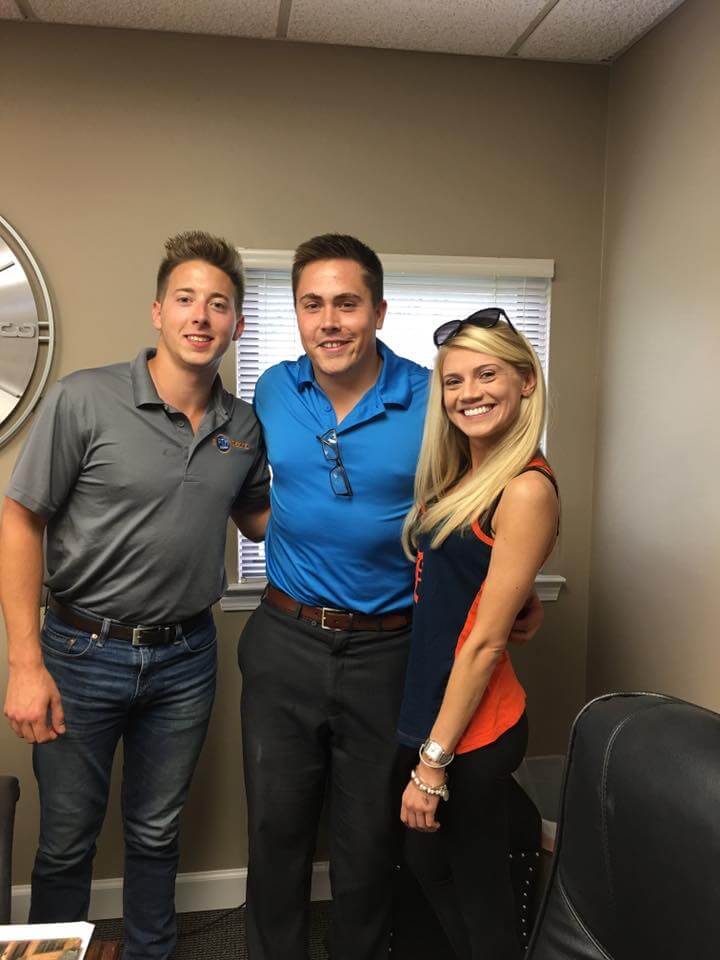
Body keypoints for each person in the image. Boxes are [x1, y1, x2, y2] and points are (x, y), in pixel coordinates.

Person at [239, 236, 544, 960]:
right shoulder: (273, 389)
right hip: (285, 640)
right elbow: (246, 493)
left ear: (378, 310)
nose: (330, 321)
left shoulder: (431, 401)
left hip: (389, 650)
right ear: (297, 314)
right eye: (313, 304)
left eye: (347, 303)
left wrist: (515, 593)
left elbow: (479, 508)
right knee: (275, 834)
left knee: (369, 840)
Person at [0, 231, 270, 960]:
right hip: (80, 653)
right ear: (158, 311)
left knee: (157, 832)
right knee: (65, 840)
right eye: (186, 299)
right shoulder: (84, 399)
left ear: (237, 324)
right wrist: (25, 664)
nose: (201, 316)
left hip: (186, 657)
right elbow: (20, 520)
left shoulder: (242, 427)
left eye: (219, 304)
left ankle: (153, 952)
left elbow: (260, 516)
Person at [397, 309, 560, 959]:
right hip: (437, 703)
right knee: (434, 865)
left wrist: (433, 766)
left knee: (477, 889)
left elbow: (487, 643)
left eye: (487, 374)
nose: (469, 393)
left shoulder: (524, 488)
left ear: (525, 381)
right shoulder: (467, 474)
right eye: (454, 381)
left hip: (475, 726)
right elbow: (472, 587)